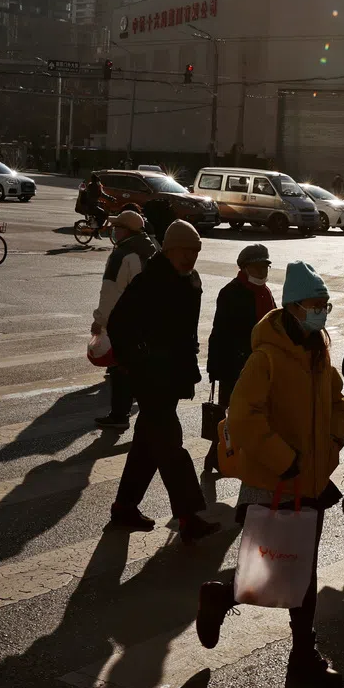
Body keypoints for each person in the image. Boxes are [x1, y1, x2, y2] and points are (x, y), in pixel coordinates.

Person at [196, 261, 344, 688]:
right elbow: (243, 418)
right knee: (285, 568)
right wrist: (285, 460)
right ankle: (227, 600)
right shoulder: (267, 358)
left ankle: (301, 658)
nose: (322, 312)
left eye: (326, 304)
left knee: (298, 569)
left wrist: (332, 443)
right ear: (295, 307)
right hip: (275, 481)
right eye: (316, 305)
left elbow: (338, 402)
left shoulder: (318, 351)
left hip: (313, 480)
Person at [105, 219, 218, 542]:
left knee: (146, 445)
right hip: (151, 378)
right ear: (169, 249)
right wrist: (138, 360)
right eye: (185, 251)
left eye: (195, 252)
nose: (190, 257)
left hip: (171, 377)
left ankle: (124, 506)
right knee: (171, 446)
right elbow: (118, 323)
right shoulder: (149, 281)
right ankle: (188, 515)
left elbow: (185, 333)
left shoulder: (188, 282)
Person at [205, 243, 276, 471]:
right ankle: (215, 455)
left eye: (265, 267)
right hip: (234, 366)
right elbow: (219, 332)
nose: (262, 272)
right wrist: (215, 368)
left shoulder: (265, 292)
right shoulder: (230, 292)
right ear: (244, 268)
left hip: (261, 365)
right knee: (229, 414)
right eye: (257, 267)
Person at [93, 210, 158, 431]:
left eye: (117, 227)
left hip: (124, 320)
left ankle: (119, 415)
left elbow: (110, 292)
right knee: (140, 366)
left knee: (120, 369)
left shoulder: (121, 255)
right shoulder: (151, 249)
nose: (114, 230)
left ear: (126, 230)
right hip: (147, 320)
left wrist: (100, 321)